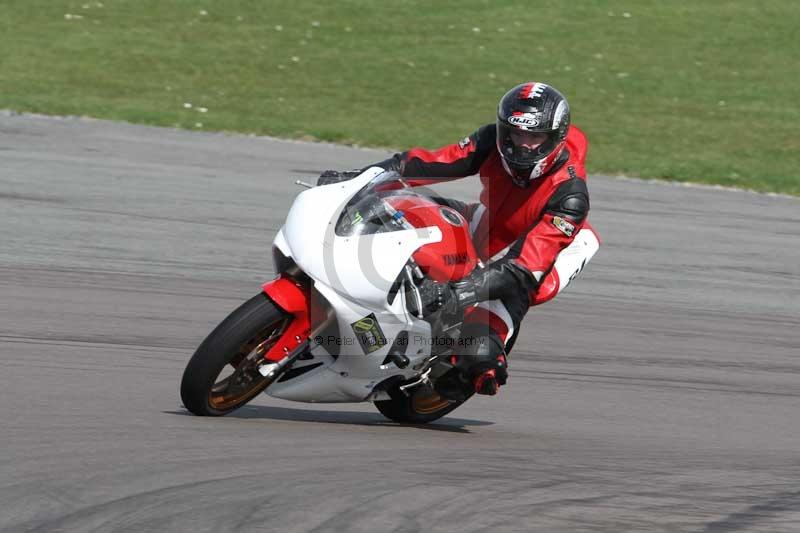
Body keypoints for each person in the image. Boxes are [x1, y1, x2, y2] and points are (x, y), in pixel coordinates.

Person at [319, 82, 600, 400]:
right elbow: (431, 163)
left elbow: (525, 267)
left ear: (554, 138)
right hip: (495, 221)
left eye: (534, 138)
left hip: (552, 250)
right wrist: (363, 178)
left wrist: (469, 288)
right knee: (404, 207)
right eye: (515, 134)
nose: (522, 146)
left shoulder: (570, 195)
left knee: (483, 336)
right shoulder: (492, 141)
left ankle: (478, 368)